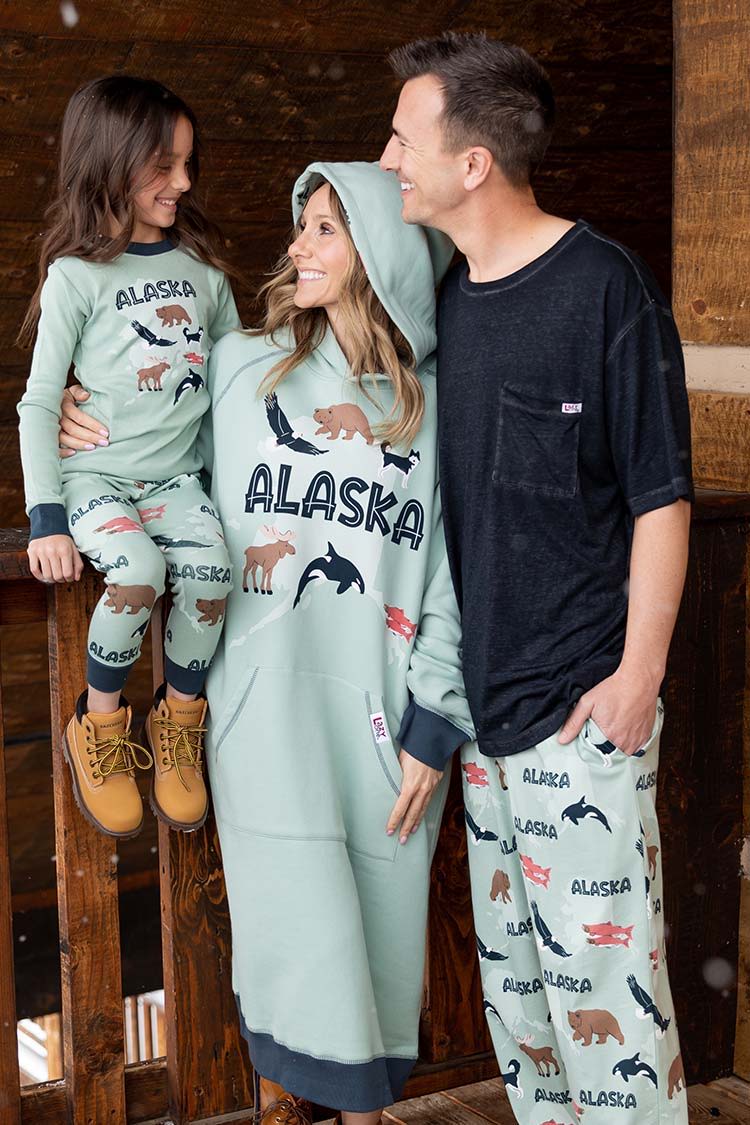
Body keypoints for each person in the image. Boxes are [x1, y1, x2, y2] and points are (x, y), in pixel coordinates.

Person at [55, 161, 474, 1125]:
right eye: (303, 227)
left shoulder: (439, 401)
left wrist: (434, 717)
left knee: (373, 950)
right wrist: (88, 425)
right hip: (262, 705)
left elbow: (458, 567)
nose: (296, 247)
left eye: (325, 229)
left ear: (380, 251)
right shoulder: (243, 361)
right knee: (290, 942)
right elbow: (153, 458)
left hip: (381, 720)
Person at [379, 31, 692, 1125]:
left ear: (474, 163)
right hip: (482, 731)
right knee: (526, 1021)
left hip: (579, 718)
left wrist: (636, 679)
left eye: (405, 137)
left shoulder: (606, 287)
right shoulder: (450, 305)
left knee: (611, 1018)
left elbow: (661, 497)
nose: (388, 158)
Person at [17, 76, 240, 838]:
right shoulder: (76, 277)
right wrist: (46, 517)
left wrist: (225, 498)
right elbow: (41, 401)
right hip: (98, 479)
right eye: (163, 165)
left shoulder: (207, 280)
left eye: (187, 164)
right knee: (140, 571)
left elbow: (232, 398)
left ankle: (178, 718)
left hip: (177, 481)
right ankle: (101, 721)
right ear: (111, 163)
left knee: (213, 568)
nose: (182, 181)